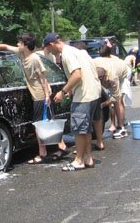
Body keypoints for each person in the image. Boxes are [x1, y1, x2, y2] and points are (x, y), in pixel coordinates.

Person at [0, 34, 54, 164]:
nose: (17, 44)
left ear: (25, 44)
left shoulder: (35, 58)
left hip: (40, 95)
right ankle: (57, 148)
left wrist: (47, 96)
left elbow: (43, 79)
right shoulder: (21, 52)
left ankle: (43, 154)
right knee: (43, 123)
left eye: (19, 42)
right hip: (35, 95)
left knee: (39, 125)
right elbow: (5, 46)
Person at [43, 33, 101, 171]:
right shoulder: (79, 52)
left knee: (79, 130)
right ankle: (88, 158)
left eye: (49, 50)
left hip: (83, 97)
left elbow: (77, 74)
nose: (51, 53)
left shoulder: (67, 54)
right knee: (85, 129)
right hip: (93, 94)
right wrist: (70, 90)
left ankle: (79, 160)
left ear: (52, 44)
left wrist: (63, 92)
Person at [93, 43, 129, 138]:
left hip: (124, 74)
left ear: (106, 76)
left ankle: (121, 128)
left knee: (118, 101)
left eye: (102, 80)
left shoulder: (112, 77)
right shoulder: (94, 63)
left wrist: (103, 104)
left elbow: (115, 97)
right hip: (108, 68)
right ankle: (113, 124)